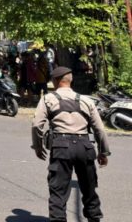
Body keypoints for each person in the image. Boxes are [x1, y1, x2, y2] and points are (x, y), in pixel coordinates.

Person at [31, 66, 110, 222]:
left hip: (61, 146)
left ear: (55, 81)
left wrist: (38, 146)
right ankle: (94, 218)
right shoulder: (86, 100)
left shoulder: (48, 99)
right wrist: (103, 152)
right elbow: (99, 129)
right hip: (85, 146)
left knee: (58, 190)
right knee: (89, 188)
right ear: (70, 80)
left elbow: (36, 125)